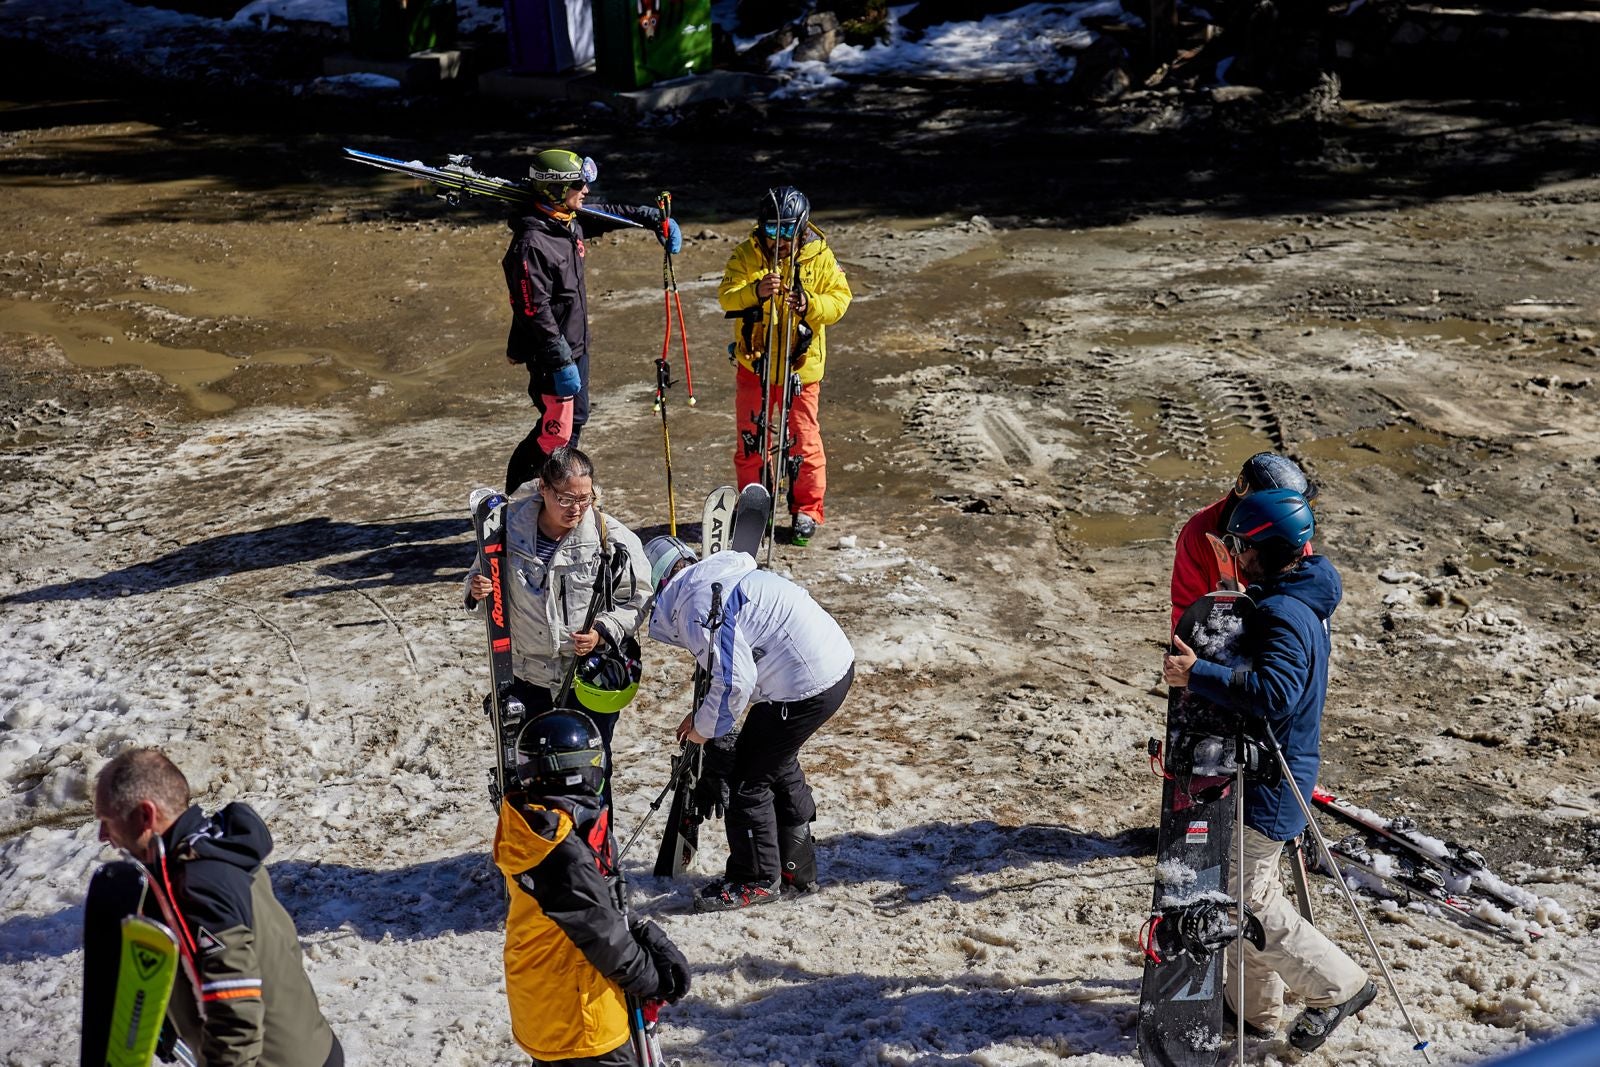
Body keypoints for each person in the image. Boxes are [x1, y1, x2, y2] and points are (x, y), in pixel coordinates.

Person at [1161, 488, 1376, 1052]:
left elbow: (1275, 693)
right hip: (1275, 770)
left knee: (1244, 900)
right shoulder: (1296, 597)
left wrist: (1199, 674)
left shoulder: (1282, 612)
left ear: (1263, 547)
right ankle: (1255, 1011)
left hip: (1272, 780)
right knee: (1249, 888)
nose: (1233, 553)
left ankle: (1338, 984)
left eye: (1238, 545)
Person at [92, 748, 342, 1067]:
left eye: (106, 820)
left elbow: (235, 1012)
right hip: (310, 1046)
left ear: (145, 815)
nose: (102, 835)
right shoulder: (214, 849)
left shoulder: (197, 883)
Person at [643, 535, 854, 911]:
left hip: (806, 685)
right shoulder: (711, 583)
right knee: (774, 756)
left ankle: (755, 879)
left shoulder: (694, 604)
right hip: (829, 668)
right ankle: (797, 866)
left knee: (746, 780)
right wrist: (706, 714)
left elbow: (736, 681)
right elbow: (736, 671)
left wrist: (704, 729)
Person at [495, 709, 690, 1066]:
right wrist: (654, 979)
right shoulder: (559, 851)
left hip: (547, 1000)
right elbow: (601, 936)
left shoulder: (538, 824)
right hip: (580, 1017)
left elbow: (593, 912)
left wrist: (638, 935)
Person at [467, 447, 651, 806]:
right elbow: (479, 586)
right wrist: (477, 591)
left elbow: (639, 599)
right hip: (525, 676)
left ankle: (596, 855)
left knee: (591, 772)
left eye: (586, 497)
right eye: (566, 498)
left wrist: (603, 630)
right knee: (532, 773)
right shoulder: (505, 528)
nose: (577, 508)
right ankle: (538, 854)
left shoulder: (610, 538)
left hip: (583, 679)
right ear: (543, 489)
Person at [502, 148, 683, 495]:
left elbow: (609, 212)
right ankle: (518, 496)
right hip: (553, 355)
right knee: (556, 432)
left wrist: (651, 218)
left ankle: (554, 494)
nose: (584, 190)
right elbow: (532, 309)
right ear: (555, 189)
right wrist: (558, 357)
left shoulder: (567, 219)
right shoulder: (531, 243)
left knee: (575, 424)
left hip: (576, 347)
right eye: (577, 184)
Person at [717, 185, 853, 546]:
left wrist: (809, 304)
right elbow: (726, 296)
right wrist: (756, 291)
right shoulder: (747, 253)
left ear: (802, 226)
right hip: (755, 364)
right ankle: (754, 507)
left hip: (800, 370)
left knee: (803, 441)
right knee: (750, 440)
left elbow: (840, 300)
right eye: (771, 231)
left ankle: (807, 509)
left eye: (787, 232)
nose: (778, 240)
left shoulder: (819, 256)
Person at [1170, 451, 1317, 632]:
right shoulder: (1199, 533)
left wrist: (1245, 607)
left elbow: (1296, 615)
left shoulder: (1293, 539)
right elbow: (1186, 610)